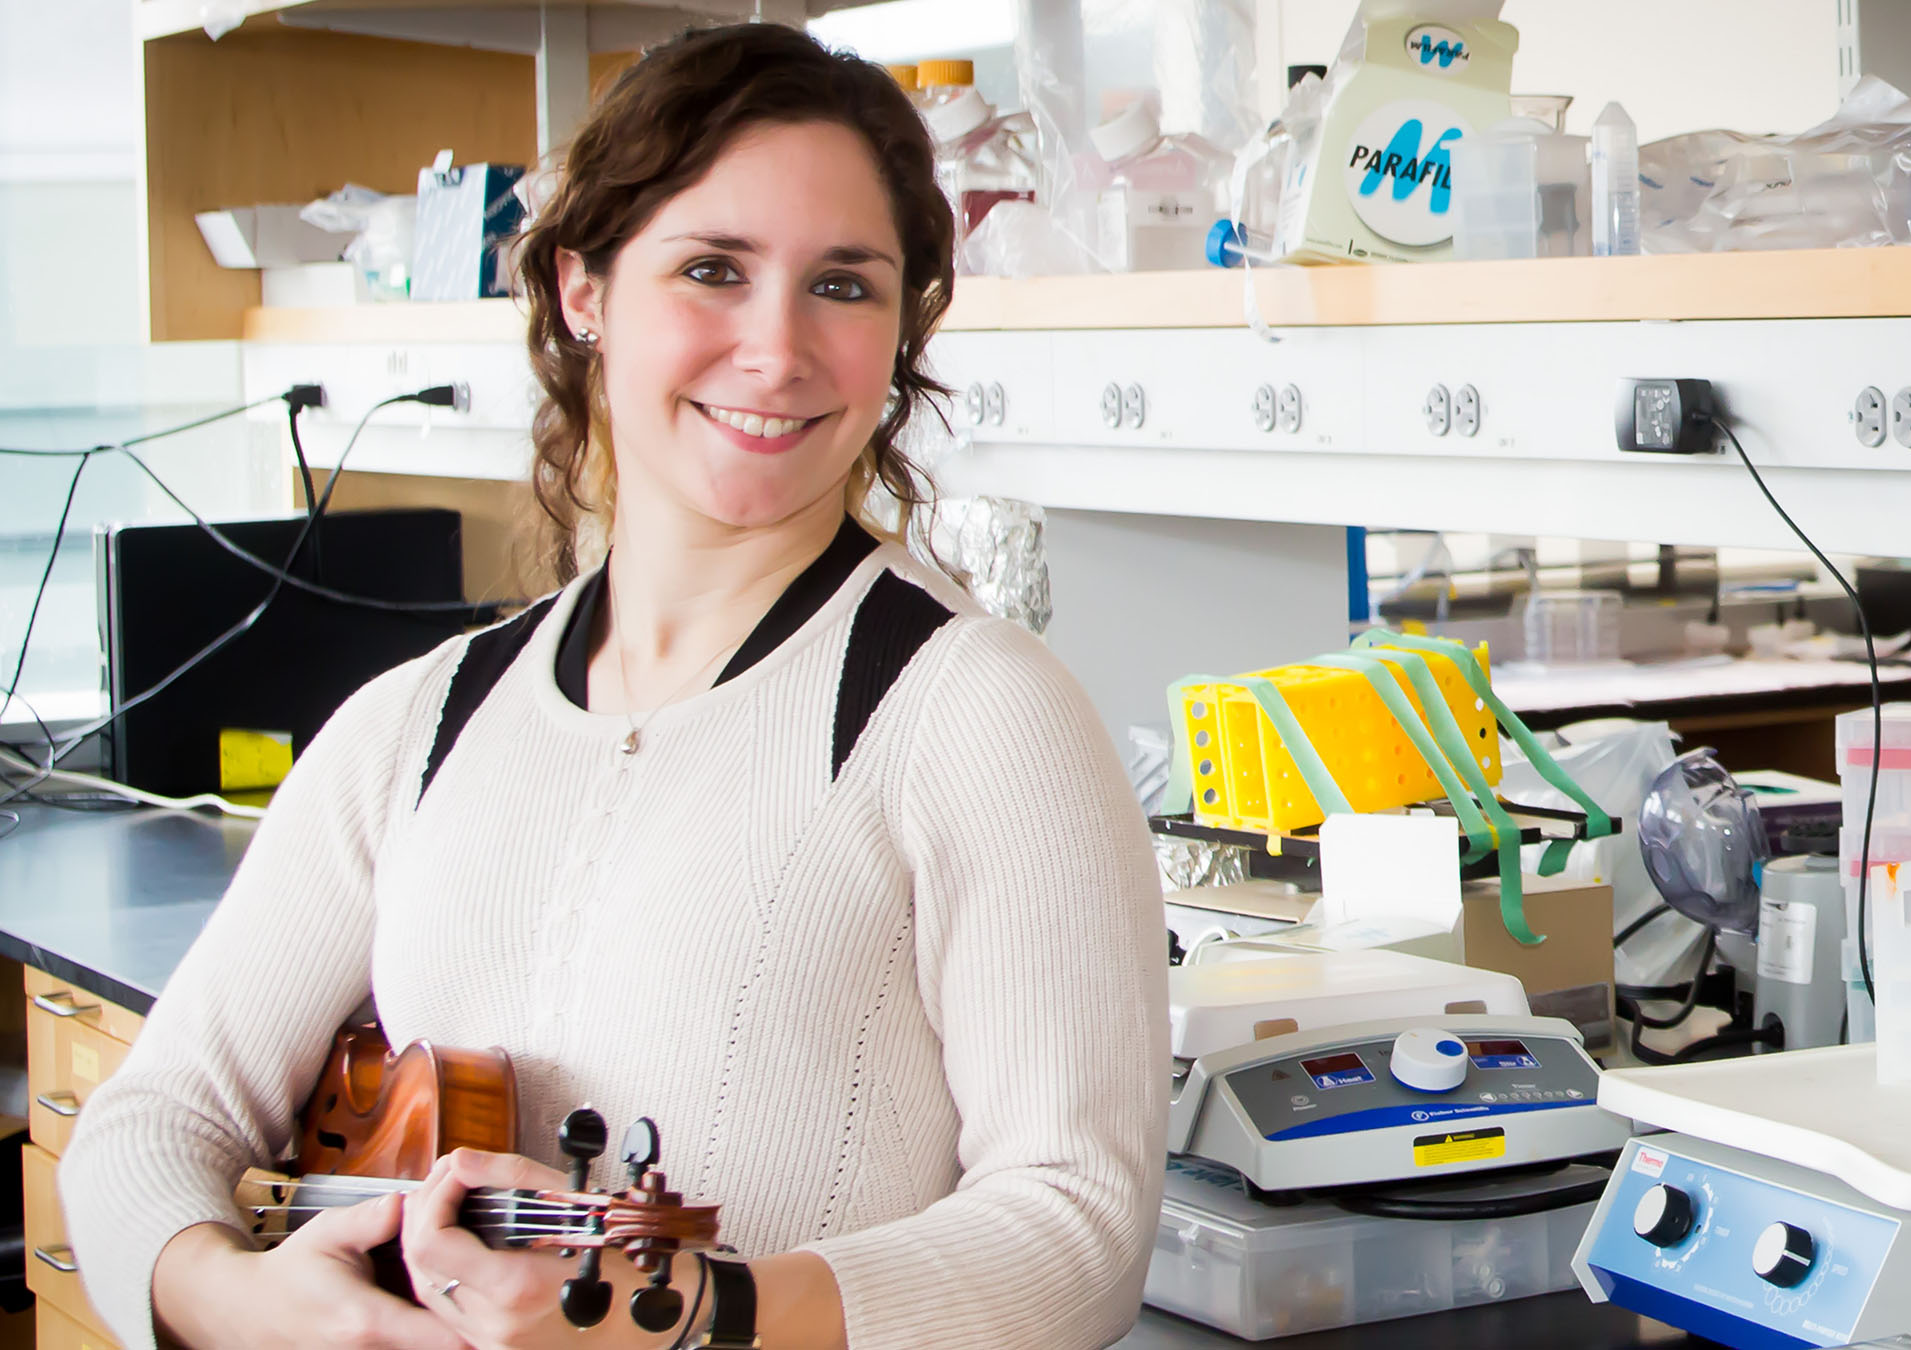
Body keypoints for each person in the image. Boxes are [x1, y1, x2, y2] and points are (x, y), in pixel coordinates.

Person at [61, 23, 1167, 1350]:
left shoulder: (976, 713)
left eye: (845, 285)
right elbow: (147, 1123)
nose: (777, 351)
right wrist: (243, 1301)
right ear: (585, 290)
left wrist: (700, 1311)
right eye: (711, 269)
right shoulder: (417, 723)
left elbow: (1079, 1225)